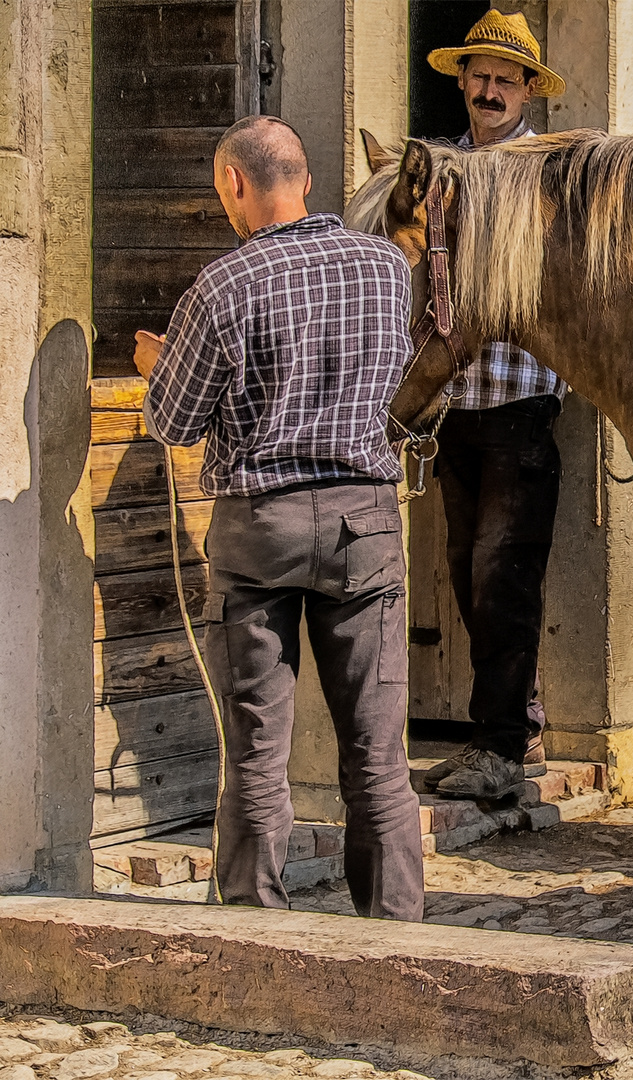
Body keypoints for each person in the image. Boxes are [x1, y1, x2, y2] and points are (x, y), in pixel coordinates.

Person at [134, 115, 424, 920]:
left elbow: (175, 423)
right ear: (303, 177)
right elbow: (395, 377)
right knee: (377, 754)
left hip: (260, 524)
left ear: (234, 183)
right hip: (363, 523)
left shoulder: (221, 288)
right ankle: (397, 931)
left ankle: (258, 926)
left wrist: (161, 366)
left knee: (258, 753)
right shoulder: (383, 268)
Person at [418, 9, 570, 800]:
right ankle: (517, 726)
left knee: (502, 578)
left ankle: (502, 752)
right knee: (467, 576)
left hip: (520, 404)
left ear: (526, 94)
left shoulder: (544, 175)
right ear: (462, 81)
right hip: (455, 409)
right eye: (478, 76)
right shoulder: (439, 172)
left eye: (504, 80)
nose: (488, 90)